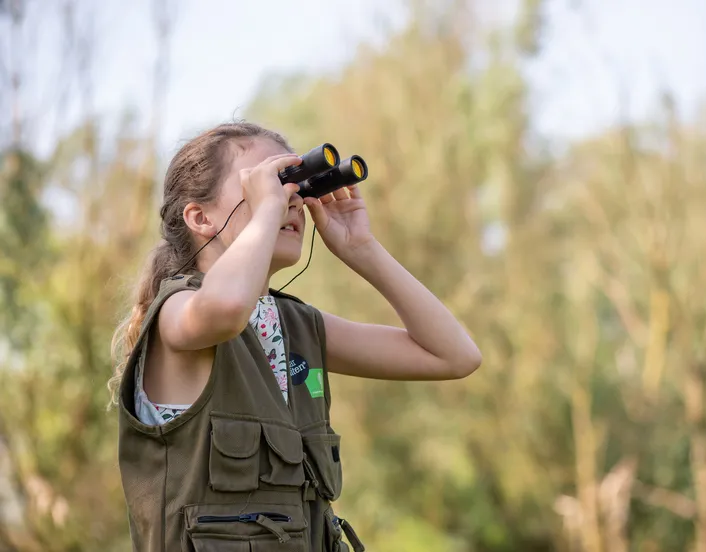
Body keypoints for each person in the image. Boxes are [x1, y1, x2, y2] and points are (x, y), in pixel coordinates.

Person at [109, 121, 482, 552]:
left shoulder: (295, 326)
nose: (290, 200)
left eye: (293, 186)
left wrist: (362, 249)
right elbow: (226, 309)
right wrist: (268, 211)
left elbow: (455, 356)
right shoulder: (177, 314)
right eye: (264, 184)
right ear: (200, 217)